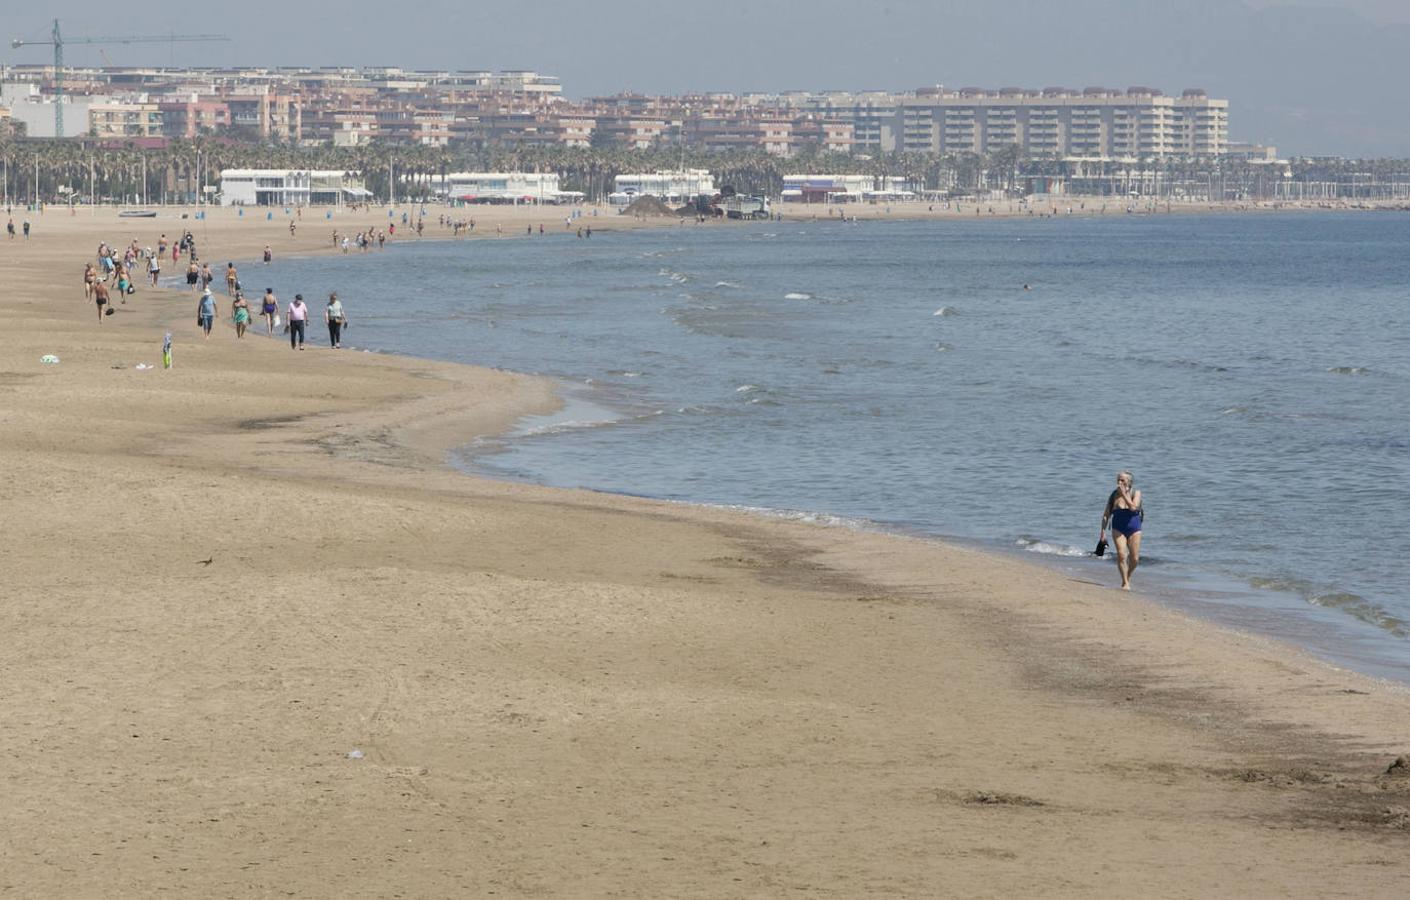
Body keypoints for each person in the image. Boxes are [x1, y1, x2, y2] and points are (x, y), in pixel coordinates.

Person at [1100, 471, 1144, 590]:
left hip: (1134, 527)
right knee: (1121, 555)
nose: (1119, 483)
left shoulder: (1136, 493)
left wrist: (1124, 494)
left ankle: (1127, 575)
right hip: (1118, 527)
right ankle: (1125, 582)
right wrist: (1102, 531)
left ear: (1129, 481)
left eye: (1122, 480)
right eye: (1118, 480)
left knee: (1134, 558)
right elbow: (1106, 515)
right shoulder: (1114, 495)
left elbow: (1133, 507)